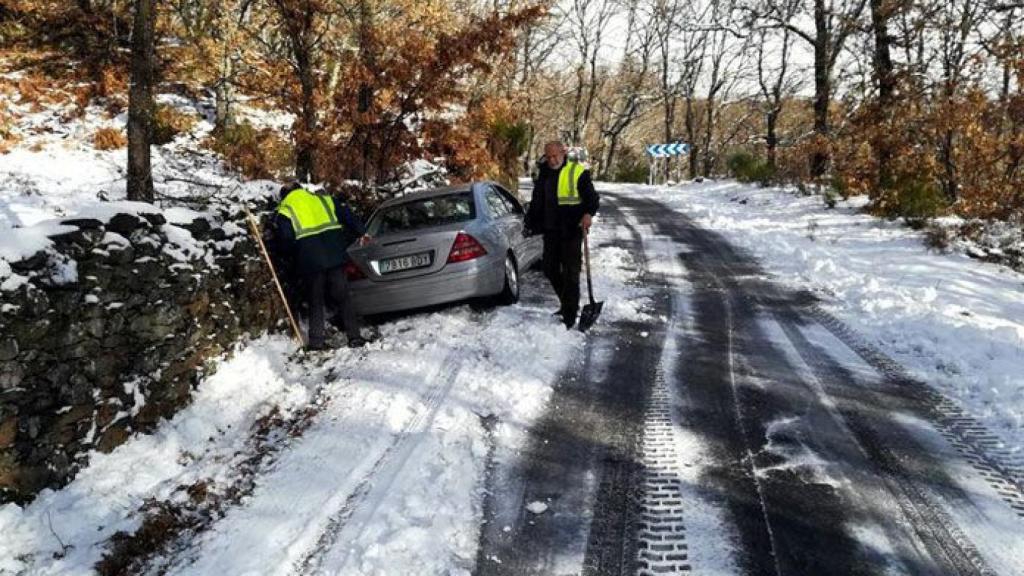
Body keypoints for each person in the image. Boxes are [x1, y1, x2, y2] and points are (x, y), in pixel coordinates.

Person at [270, 182, 371, 349]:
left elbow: (286, 240)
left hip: (310, 261)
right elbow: (346, 215)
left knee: (315, 300)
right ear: (302, 189)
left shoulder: (285, 209)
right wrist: (362, 232)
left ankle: (317, 342)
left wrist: (287, 253)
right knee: (343, 296)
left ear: (284, 195)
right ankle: (355, 337)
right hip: (335, 256)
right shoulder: (324, 200)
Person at [526, 141, 600, 329]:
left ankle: (569, 315)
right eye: (548, 156)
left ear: (562, 153)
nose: (552, 160)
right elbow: (537, 200)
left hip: (571, 229)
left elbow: (592, 198)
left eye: (555, 156)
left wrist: (587, 214)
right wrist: (530, 222)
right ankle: (567, 304)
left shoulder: (577, 171)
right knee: (549, 269)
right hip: (550, 229)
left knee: (570, 273)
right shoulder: (543, 173)